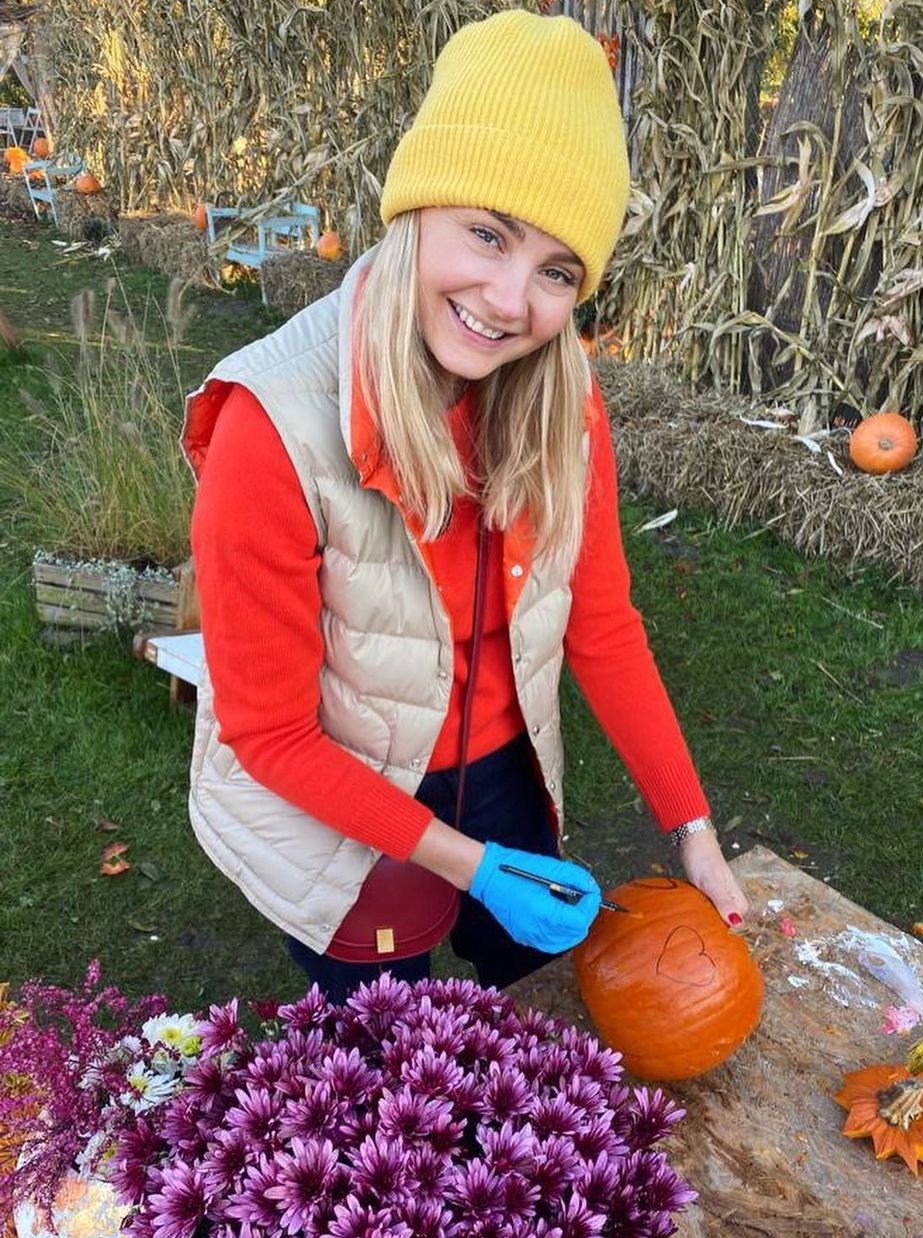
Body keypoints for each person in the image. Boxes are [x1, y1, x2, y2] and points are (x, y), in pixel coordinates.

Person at [182, 10, 751, 1002]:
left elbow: (602, 627)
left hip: (503, 774)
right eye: (486, 234)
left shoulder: (559, 399)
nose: (506, 299)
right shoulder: (269, 427)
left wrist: (692, 830)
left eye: (556, 271)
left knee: (528, 1032)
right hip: (341, 802)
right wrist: (467, 866)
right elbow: (270, 736)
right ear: (417, 211)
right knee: (392, 1085)